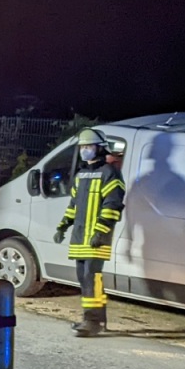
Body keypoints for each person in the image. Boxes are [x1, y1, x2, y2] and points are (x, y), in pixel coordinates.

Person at [54, 128, 125, 337]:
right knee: (85, 279)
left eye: (89, 146)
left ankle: (92, 322)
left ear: (100, 148)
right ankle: (97, 319)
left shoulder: (109, 173)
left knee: (91, 277)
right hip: (79, 238)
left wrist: (100, 232)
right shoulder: (81, 175)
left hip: (97, 238)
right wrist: (62, 226)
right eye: (83, 147)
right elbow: (73, 205)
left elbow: (112, 205)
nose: (85, 150)